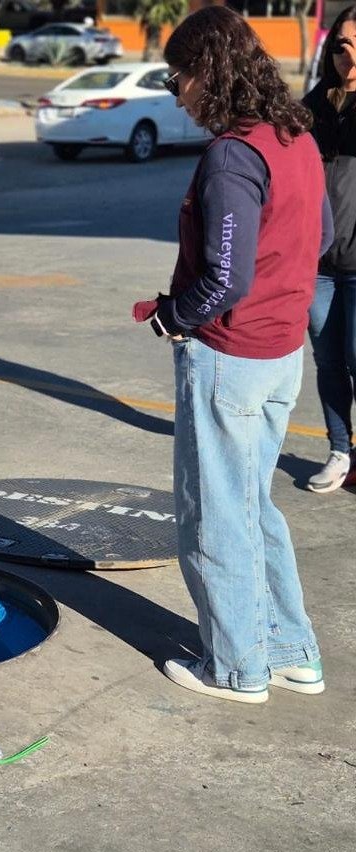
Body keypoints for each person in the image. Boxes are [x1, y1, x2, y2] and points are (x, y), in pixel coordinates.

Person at [132, 8, 332, 703]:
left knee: (215, 513)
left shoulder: (234, 153)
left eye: (176, 76)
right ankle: (290, 650)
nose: (175, 92)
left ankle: (235, 666)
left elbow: (225, 276)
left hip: (231, 355)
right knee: (253, 507)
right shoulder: (294, 136)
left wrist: (171, 319)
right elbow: (322, 233)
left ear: (207, 73)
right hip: (280, 353)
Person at [302, 6, 356, 493]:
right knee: (329, 359)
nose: (349, 56)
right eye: (341, 45)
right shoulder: (315, 104)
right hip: (317, 263)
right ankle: (341, 450)